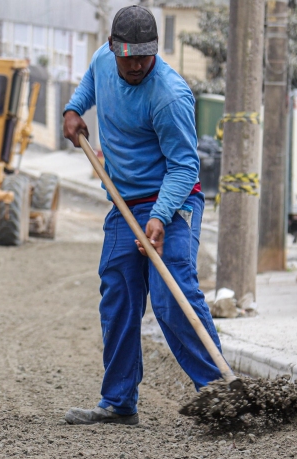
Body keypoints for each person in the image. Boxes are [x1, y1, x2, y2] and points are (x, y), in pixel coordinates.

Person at [62, 5, 223, 426]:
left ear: (155, 51)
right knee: (117, 295)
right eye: (127, 56)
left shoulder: (169, 94)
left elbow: (185, 167)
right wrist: (73, 109)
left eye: (144, 56)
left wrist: (160, 217)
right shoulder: (103, 60)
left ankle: (220, 396)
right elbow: (89, 85)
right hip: (123, 202)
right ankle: (118, 402)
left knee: (172, 298)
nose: (135, 65)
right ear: (114, 48)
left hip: (173, 202)